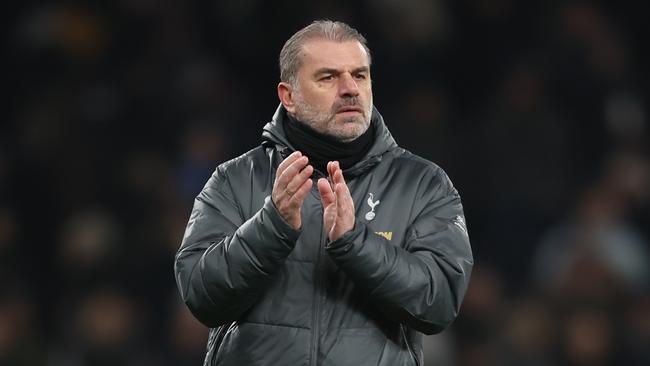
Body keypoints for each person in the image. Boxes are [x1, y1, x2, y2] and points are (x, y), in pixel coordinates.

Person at [174, 20, 473, 366]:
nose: (350, 89)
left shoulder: (423, 185)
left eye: (359, 75)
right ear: (289, 96)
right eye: (328, 77)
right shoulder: (234, 180)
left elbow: (440, 303)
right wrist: (272, 226)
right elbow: (201, 296)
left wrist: (355, 243)